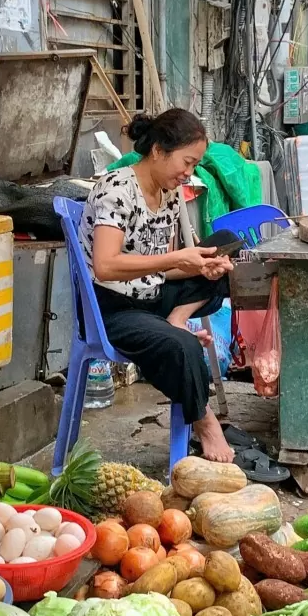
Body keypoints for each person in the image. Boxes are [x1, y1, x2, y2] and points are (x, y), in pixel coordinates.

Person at [80, 109, 236, 462]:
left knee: (224, 247)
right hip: (111, 307)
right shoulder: (117, 189)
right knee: (183, 348)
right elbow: (105, 266)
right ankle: (204, 420)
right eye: (187, 161)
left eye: (194, 164)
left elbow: (162, 269)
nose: (189, 172)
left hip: (149, 294)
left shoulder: (168, 194)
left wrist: (202, 265)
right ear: (158, 151)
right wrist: (179, 260)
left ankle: (177, 319)